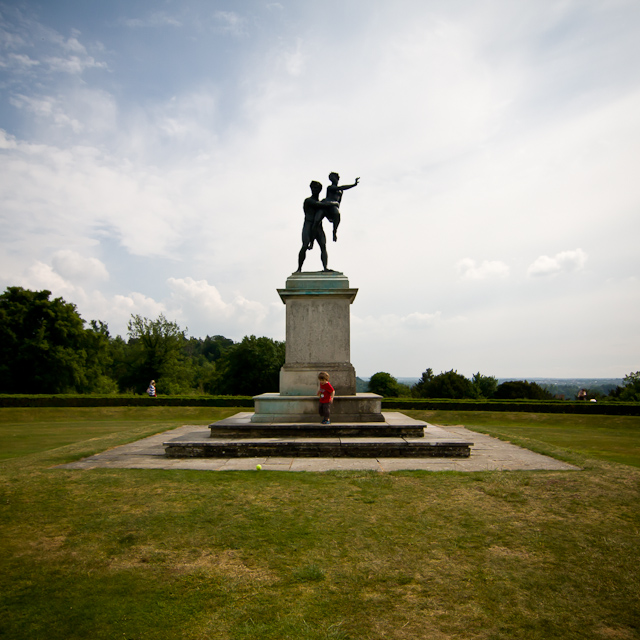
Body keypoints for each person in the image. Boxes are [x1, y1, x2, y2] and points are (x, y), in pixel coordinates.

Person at [296, 181, 339, 273]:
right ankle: (299, 268)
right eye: (313, 188)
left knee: (323, 246)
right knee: (305, 245)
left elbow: (329, 217)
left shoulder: (322, 204)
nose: (315, 190)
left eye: (317, 188)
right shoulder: (308, 201)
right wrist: (335, 203)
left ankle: (325, 267)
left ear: (320, 190)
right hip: (308, 224)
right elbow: (321, 205)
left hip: (318, 227)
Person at [310, 173, 359, 246]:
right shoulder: (330, 187)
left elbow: (339, 201)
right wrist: (353, 184)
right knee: (316, 221)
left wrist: (337, 205)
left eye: (333, 177)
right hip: (325, 205)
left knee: (337, 214)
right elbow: (341, 187)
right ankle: (311, 242)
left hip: (333, 207)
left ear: (337, 178)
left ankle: (334, 231)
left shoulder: (340, 191)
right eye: (331, 177)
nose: (332, 179)